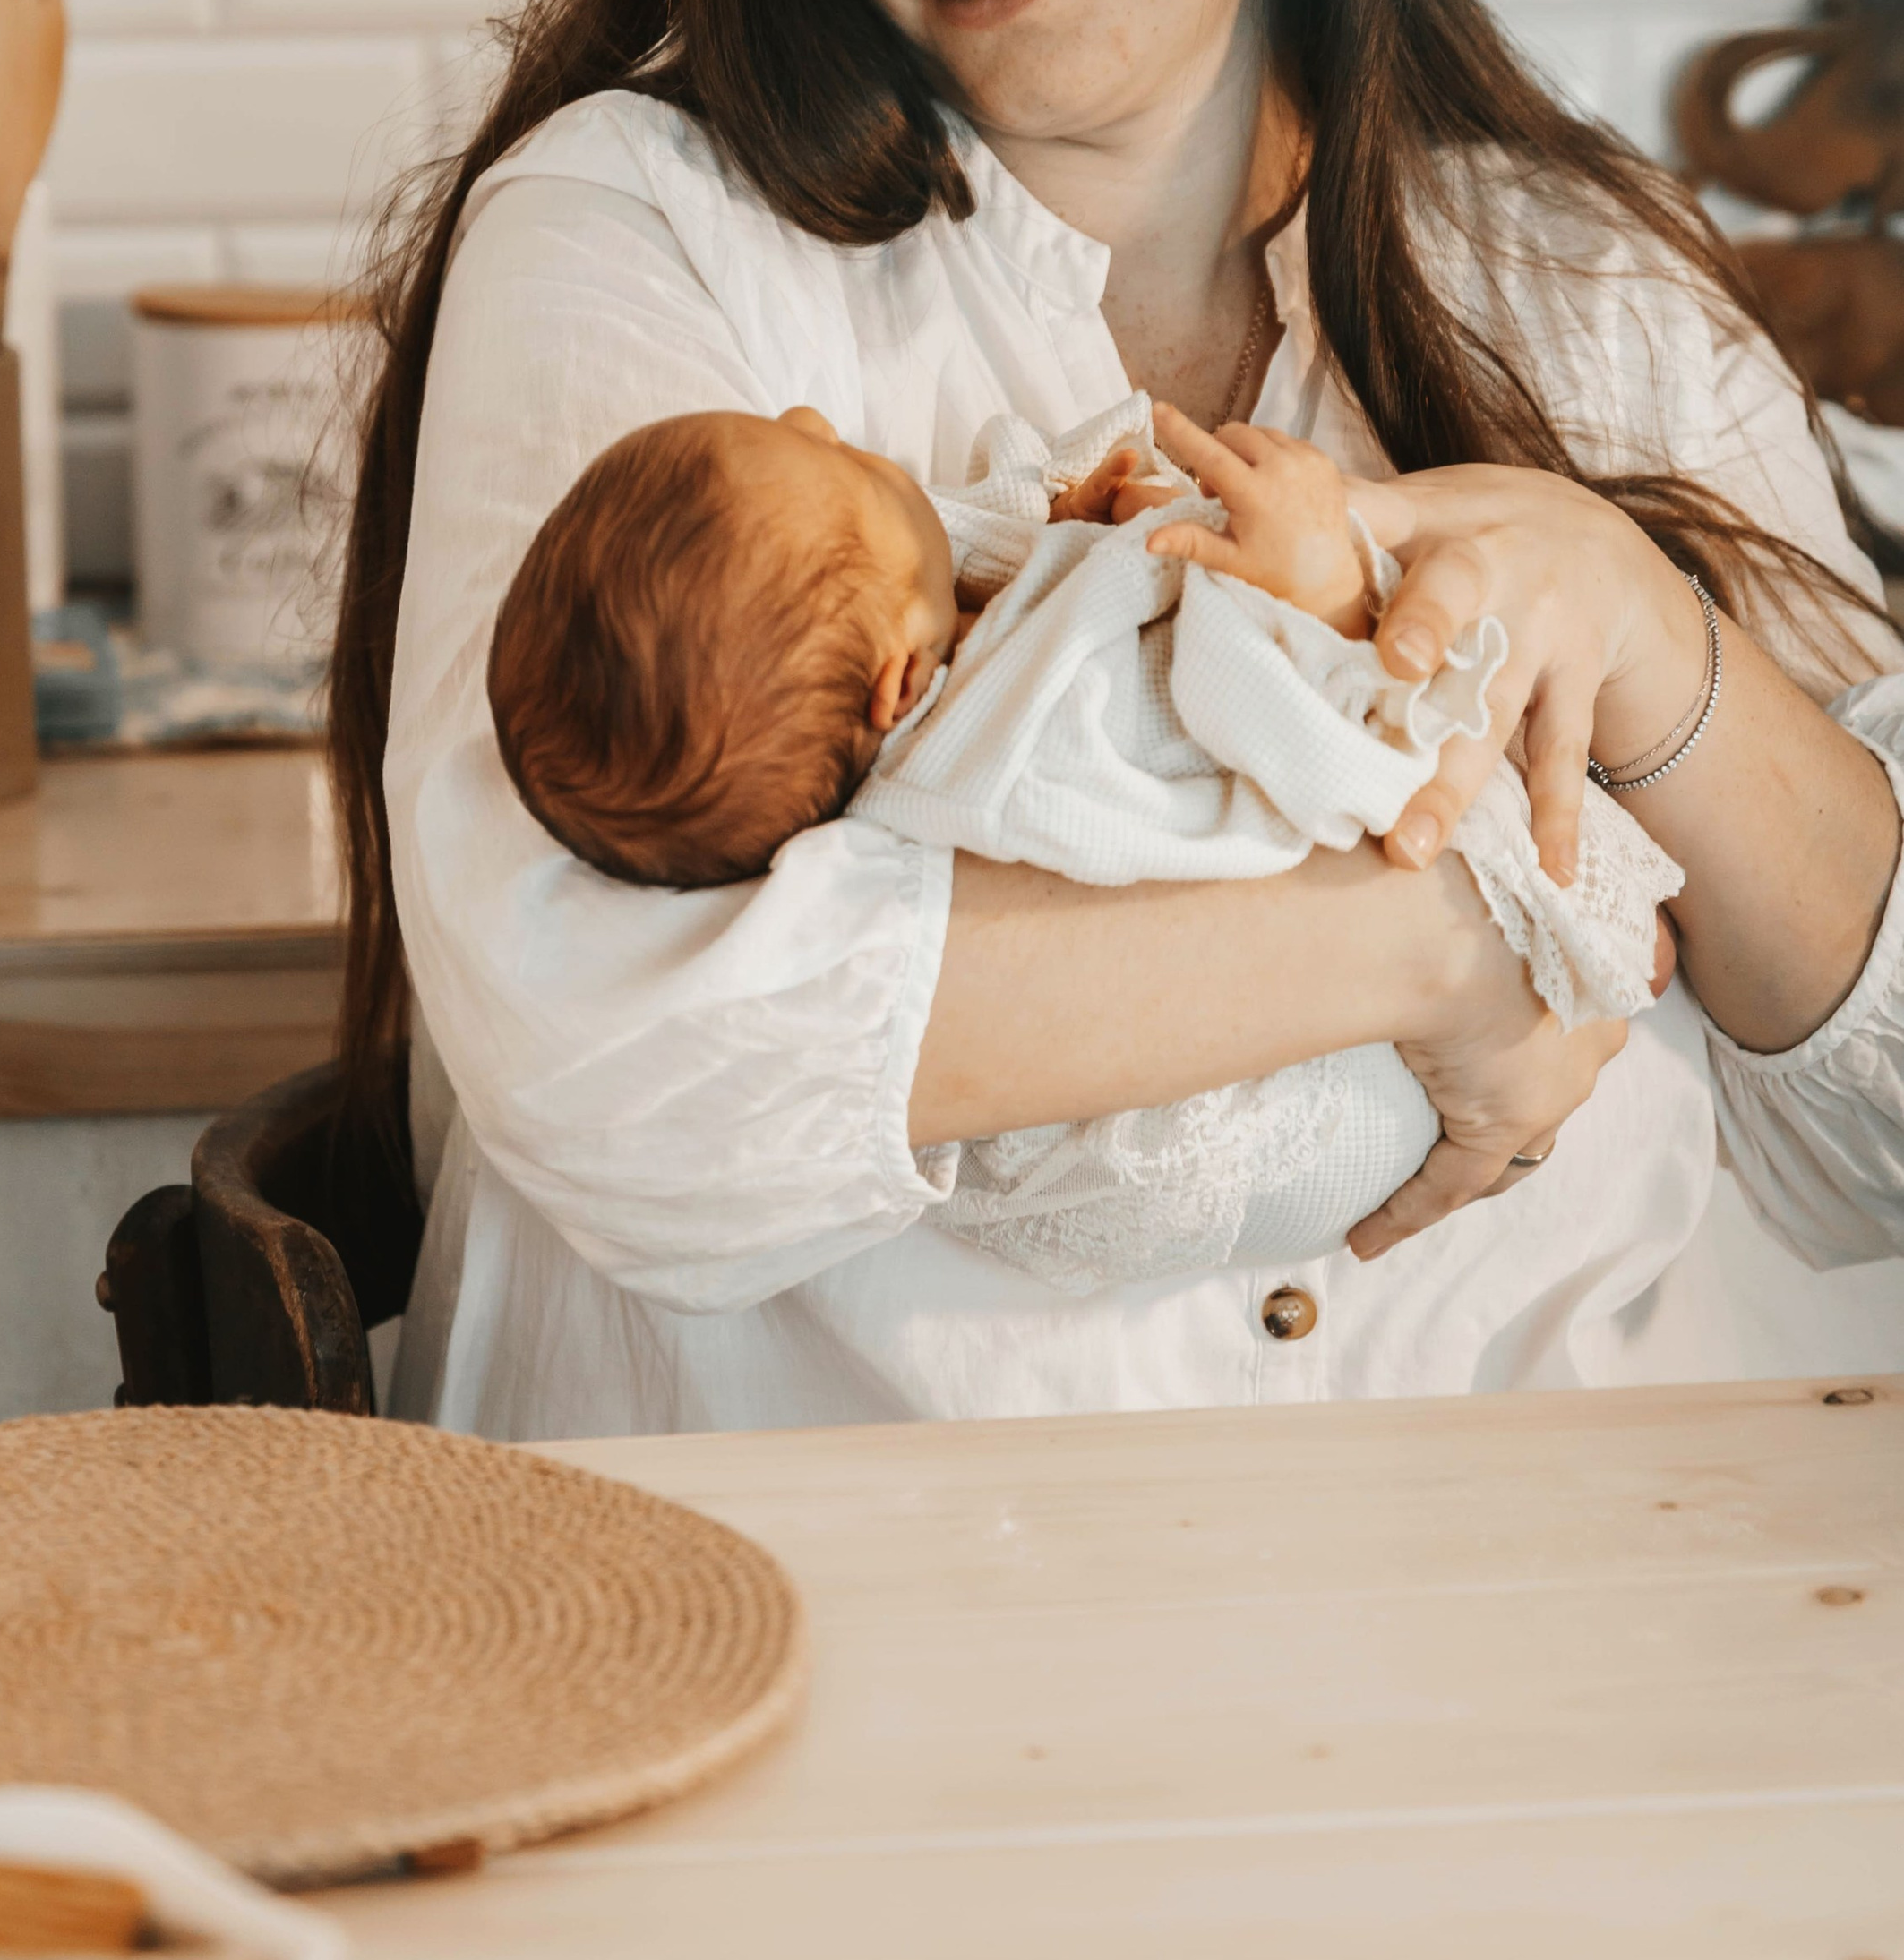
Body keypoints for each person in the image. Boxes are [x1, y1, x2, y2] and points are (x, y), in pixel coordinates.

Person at [328, 0, 1904, 1441]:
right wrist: (1444, 950)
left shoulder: (1578, 284)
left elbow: (1872, 1146)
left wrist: (1642, 633)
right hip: (840, 1607)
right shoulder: (638, 240)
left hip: (1574, 1575)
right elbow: (625, 1072)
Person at [480, 388, 1677, 1297]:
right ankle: (1601, 920)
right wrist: (1316, 597)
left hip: (1142, 1180)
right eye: (853, 468)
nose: (812, 416)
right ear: (900, 682)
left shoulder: (912, 728)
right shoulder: (1032, 738)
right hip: (1333, 1126)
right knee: (1504, 825)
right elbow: (1305, 764)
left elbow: (975, 566)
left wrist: (1064, 515)